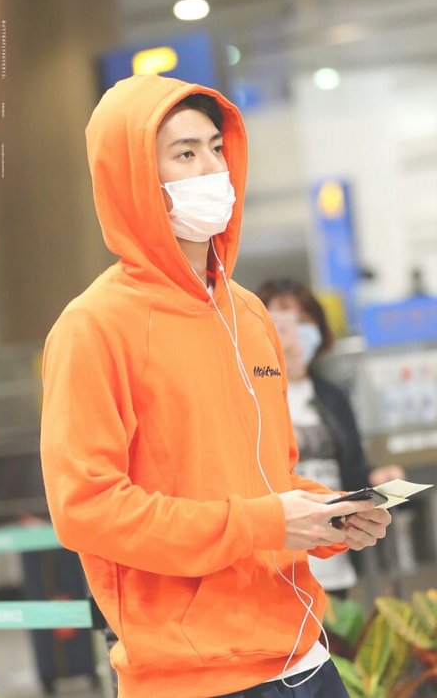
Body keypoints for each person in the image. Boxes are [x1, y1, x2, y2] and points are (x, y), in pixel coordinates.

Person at [40, 75, 391, 698]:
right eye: (184, 153)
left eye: (216, 148)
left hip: (304, 654)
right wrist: (263, 523)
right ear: (134, 177)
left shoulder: (249, 314)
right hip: (193, 676)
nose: (212, 168)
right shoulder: (93, 327)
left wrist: (328, 514)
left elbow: (267, 479)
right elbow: (87, 509)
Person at [256, 277, 404, 599]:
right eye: (281, 321)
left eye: (303, 321)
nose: (294, 333)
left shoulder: (333, 396)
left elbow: (351, 466)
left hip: (334, 559)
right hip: (274, 563)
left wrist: (375, 479)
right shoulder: (250, 397)